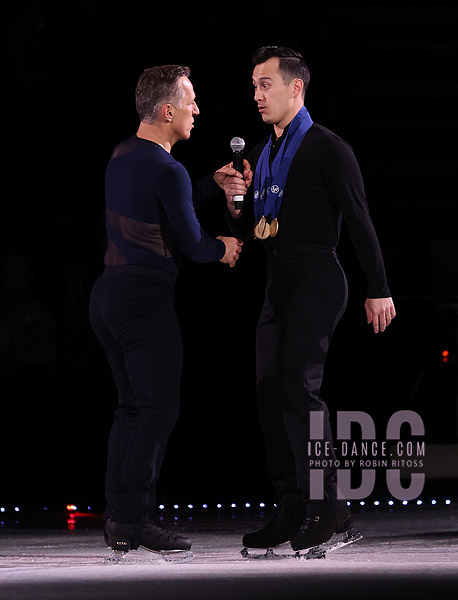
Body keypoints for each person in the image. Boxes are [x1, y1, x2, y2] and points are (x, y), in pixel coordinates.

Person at [223, 46, 396, 553]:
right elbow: (250, 228)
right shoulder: (261, 153)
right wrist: (236, 198)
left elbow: (360, 221)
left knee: (300, 387)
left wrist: (379, 286)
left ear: (296, 88)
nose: (257, 94)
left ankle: (330, 509)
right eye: (254, 85)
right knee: (268, 389)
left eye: (266, 84)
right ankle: (292, 505)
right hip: (279, 280)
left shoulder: (326, 147)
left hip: (320, 274)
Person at [89, 64, 243, 556]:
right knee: (156, 411)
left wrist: (206, 184)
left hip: (108, 296)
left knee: (131, 410)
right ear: (167, 109)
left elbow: (158, 206)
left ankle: (119, 516)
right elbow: (194, 244)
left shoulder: (122, 155)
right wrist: (226, 247)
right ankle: (135, 520)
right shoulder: (167, 168)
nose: (198, 109)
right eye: (191, 100)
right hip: (143, 303)